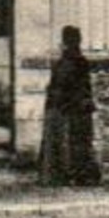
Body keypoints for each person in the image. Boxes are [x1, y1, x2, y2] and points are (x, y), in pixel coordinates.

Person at [39, 25, 100, 185]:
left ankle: (68, 173)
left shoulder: (61, 63)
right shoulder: (79, 62)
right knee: (79, 142)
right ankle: (79, 174)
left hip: (64, 107)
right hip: (75, 107)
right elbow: (84, 87)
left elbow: (55, 88)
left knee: (68, 142)